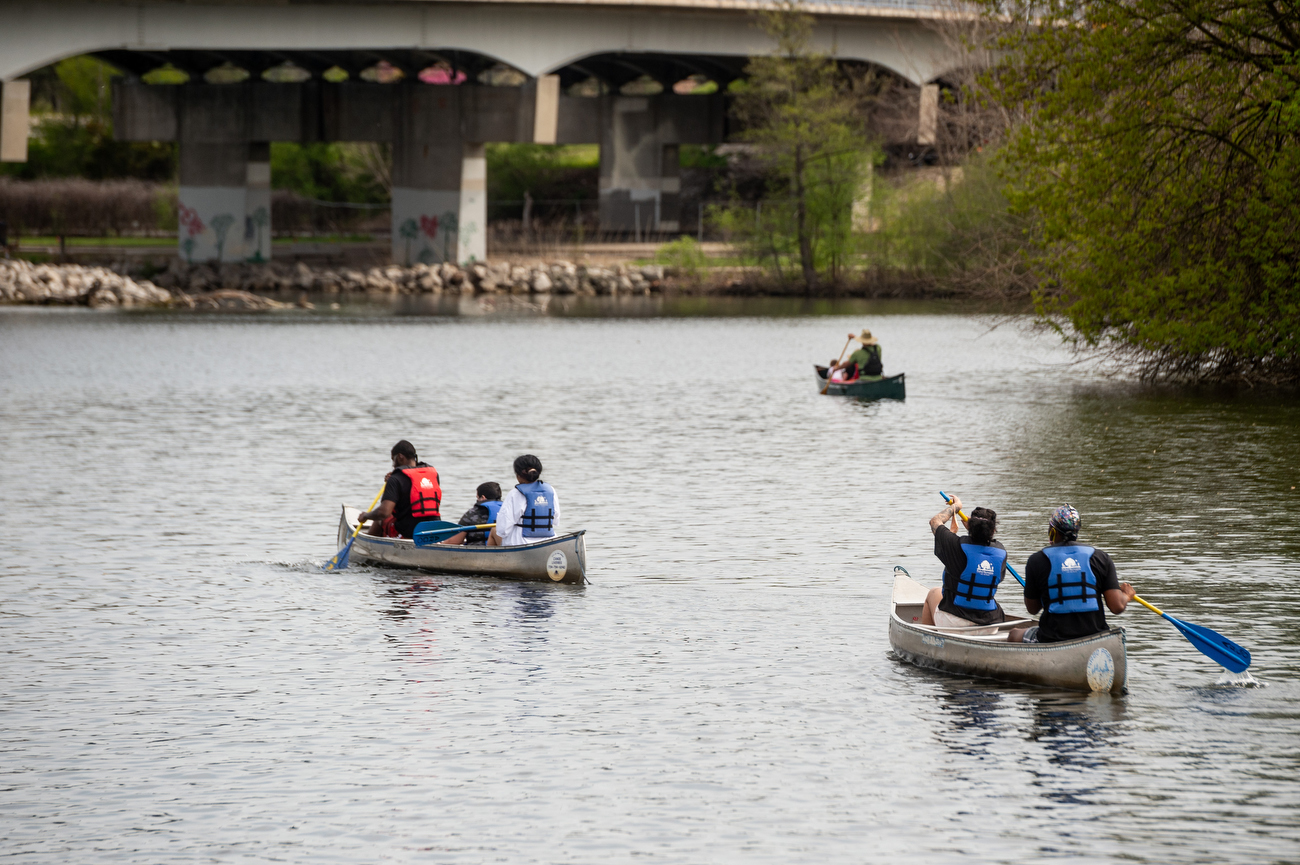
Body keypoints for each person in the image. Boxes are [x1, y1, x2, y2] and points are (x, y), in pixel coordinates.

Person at [1009, 505, 1137, 643]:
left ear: (1052, 531)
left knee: (1013, 634)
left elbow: (1032, 609)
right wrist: (1127, 595)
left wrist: (1048, 592)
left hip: (1051, 638)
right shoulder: (1101, 558)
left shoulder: (1037, 560)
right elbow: (1117, 606)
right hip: (1095, 637)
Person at [920, 495, 1008, 635]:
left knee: (933, 593)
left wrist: (956, 507)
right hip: (989, 625)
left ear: (969, 526)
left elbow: (935, 521)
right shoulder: (1001, 552)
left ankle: (928, 642)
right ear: (993, 531)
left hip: (954, 623)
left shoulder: (956, 545)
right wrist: (973, 531)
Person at [358, 440, 441, 539]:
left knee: (379, 518)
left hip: (409, 533)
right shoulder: (432, 474)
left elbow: (384, 512)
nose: (393, 465)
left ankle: (367, 546)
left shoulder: (396, 479)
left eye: (393, 459)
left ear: (400, 457)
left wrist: (366, 516)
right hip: (434, 529)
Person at [488, 454, 560, 547]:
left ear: (518, 475)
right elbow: (556, 520)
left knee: (494, 530)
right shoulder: (551, 490)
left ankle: (492, 560)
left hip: (520, 543)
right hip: (548, 542)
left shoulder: (516, 493)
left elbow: (503, 529)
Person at [438, 482, 504, 545]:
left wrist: (440, 544)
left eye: (477, 498)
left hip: (478, 551)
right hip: (502, 548)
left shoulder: (473, 513)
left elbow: (455, 541)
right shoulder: (506, 511)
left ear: (483, 497)